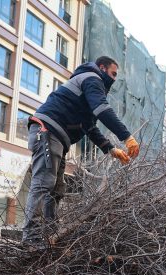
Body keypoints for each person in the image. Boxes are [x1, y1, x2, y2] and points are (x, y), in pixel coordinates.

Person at [22, 56, 139, 248]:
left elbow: (88, 126)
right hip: (47, 130)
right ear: (102, 68)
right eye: (113, 74)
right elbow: (102, 110)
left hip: (57, 136)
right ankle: (31, 238)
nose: (115, 79)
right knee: (44, 183)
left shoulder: (88, 86)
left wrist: (110, 149)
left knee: (57, 189)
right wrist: (126, 137)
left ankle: (49, 234)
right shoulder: (92, 78)